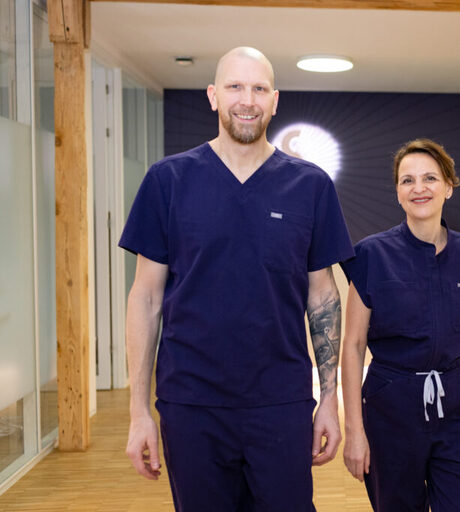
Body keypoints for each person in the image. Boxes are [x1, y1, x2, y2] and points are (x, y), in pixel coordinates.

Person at [119, 46, 354, 511]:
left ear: (275, 100)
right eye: (235, 87)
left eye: (259, 88)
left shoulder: (310, 186)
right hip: (191, 403)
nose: (247, 99)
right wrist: (138, 410)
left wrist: (329, 399)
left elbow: (322, 295)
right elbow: (145, 298)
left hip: (281, 403)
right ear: (212, 96)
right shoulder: (168, 181)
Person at [340, 139, 460, 512]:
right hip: (390, 410)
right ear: (397, 192)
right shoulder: (370, 255)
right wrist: (355, 430)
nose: (419, 188)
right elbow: (352, 345)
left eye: (430, 178)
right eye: (407, 180)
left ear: (448, 186)